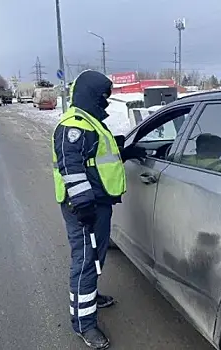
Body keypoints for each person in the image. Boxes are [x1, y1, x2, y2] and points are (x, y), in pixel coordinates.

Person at [51, 70, 146, 349]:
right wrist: (83, 205)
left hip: (97, 203)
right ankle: (84, 324)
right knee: (85, 262)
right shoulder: (74, 125)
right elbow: (71, 167)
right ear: (89, 95)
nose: (106, 102)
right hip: (82, 206)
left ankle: (90, 296)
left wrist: (125, 152)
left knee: (95, 257)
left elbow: (97, 156)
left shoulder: (91, 122)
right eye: (102, 96)